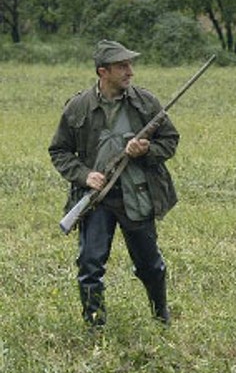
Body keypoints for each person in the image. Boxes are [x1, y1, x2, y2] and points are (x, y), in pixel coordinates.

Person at [49, 40, 179, 328]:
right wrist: (85, 175)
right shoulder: (77, 106)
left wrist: (146, 150)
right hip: (97, 200)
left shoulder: (146, 103)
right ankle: (95, 327)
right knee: (90, 266)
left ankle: (161, 319)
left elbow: (170, 141)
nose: (130, 71)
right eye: (123, 66)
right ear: (102, 72)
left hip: (138, 196)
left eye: (130, 65)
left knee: (151, 266)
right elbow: (59, 151)